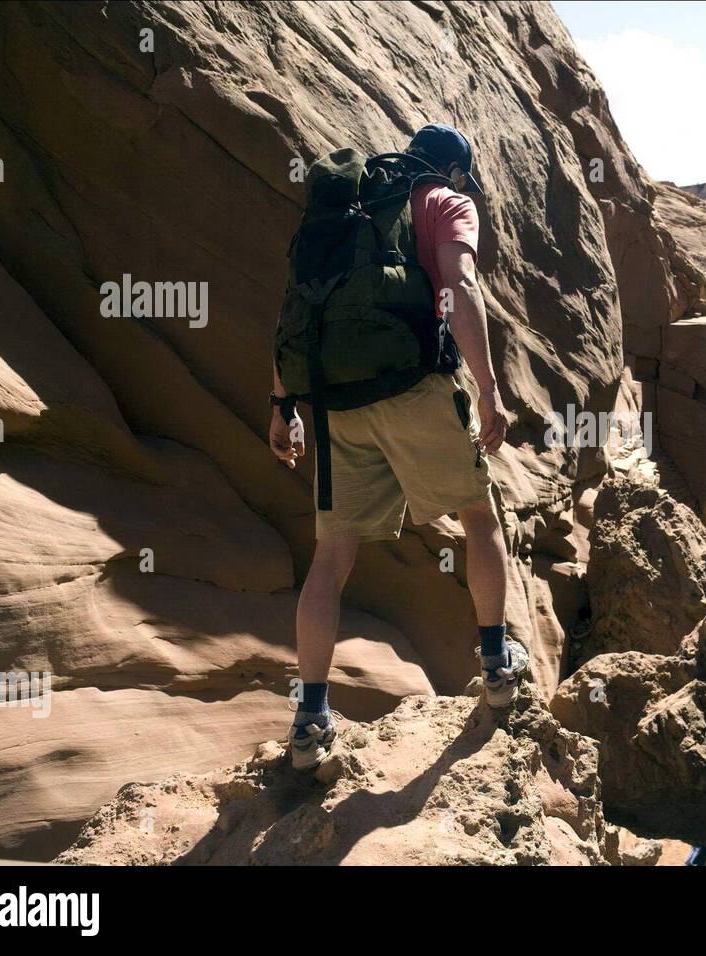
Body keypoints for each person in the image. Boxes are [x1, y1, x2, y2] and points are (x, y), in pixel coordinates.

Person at [269, 124, 528, 771]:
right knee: (479, 517)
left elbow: (298, 312)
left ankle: (309, 721)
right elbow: (461, 288)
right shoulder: (444, 201)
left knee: (331, 558)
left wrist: (282, 406)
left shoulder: (351, 213)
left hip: (339, 405)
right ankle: (496, 665)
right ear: (455, 172)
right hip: (415, 389)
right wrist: (491, 390)